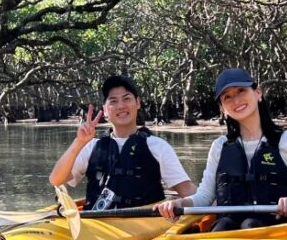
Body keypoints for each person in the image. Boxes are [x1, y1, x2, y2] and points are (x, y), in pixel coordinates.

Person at [156, 68, 287, 231]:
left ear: (258, 93)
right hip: (230, 231)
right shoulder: (219, 147)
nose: (236, 100)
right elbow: (205, 197)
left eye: (241, 91)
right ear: (222, 109)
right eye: (227, 97)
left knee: (250, 223)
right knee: (223, 225)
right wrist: (179, 204)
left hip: (278, 229)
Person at [49, 75, 196, 209]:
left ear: (138, 103)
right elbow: (56, 180)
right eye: (113, 101)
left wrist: (204, 202)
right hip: (95, 223)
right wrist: (78, 142)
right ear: (105, 110)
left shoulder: (157, 146)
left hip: (143, 225)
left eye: (127, 99)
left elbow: (187, 191)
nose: (121, 106)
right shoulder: (91, 147)